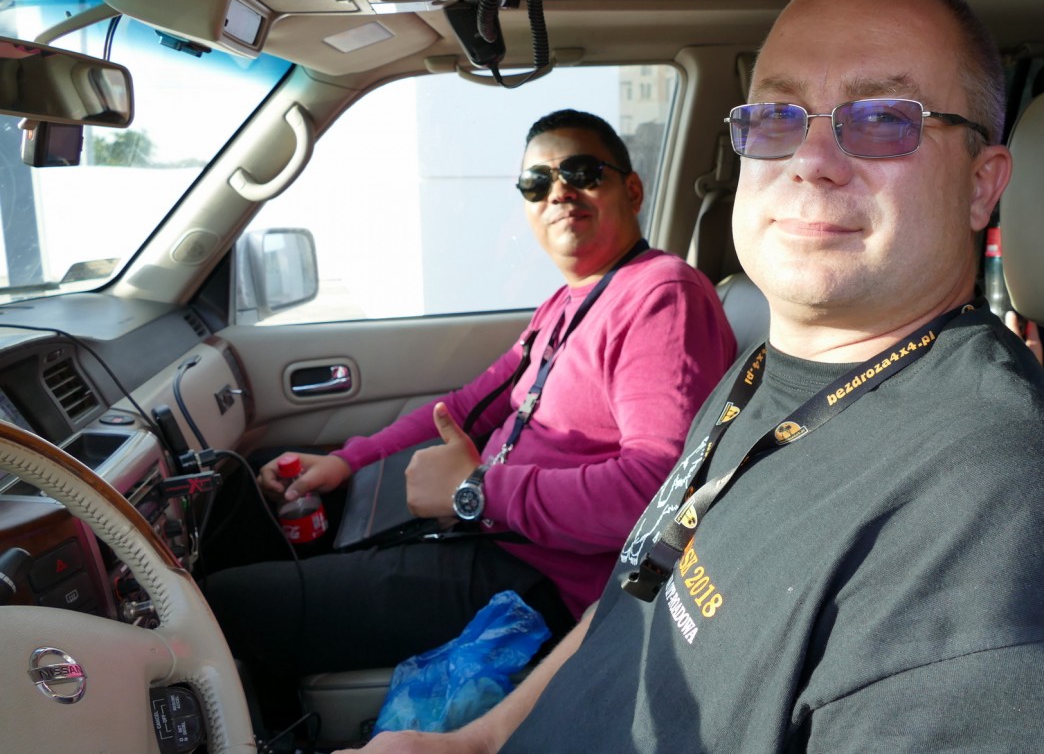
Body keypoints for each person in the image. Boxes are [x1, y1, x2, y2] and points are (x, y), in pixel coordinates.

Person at [343, 0, 1044, 753]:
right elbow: (637, 594)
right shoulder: (759, 376)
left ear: (981, 184)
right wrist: (476, 741)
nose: (812, 161)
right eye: (778, 118)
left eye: (884, 120)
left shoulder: (1007, 524)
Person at [206, 109, 738, 712]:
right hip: (490, 530)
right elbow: (466, 407)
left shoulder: (662, 296)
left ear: (631, 190)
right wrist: (348, 462)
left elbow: (657, 494)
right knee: (257, 504)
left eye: (582, 172)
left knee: (228, 603)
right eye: (536, 183)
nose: (559, 192)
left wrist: (478, 491)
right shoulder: (567, 303)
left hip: (542, 583)